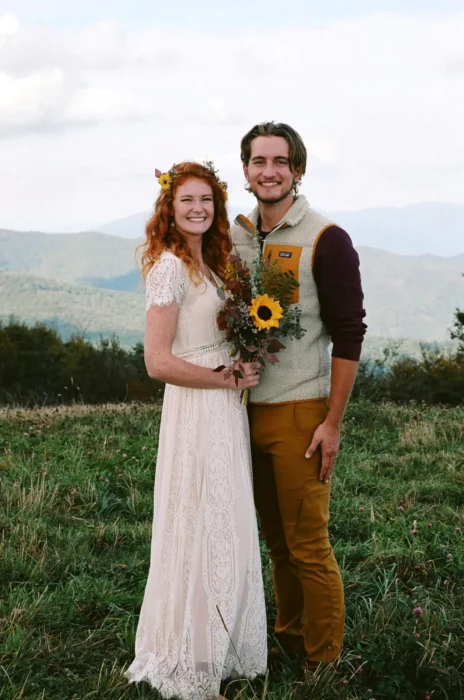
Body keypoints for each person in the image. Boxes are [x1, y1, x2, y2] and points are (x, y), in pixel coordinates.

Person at [125, 161, 267, 700]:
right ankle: (188, 652)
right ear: (170, 206)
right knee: (199, 522)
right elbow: (157, 362)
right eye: (187, 200)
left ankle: (223, 644)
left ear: (218, 206)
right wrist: (222, 376)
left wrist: (244, 362)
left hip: (223, 407)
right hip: (195, 408)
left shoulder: (209, 263)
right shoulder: (167, 268)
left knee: (224, 519)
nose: (198, 209)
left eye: (206, 199)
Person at [230, 122, 367, 669]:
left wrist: (331, 421)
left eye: (280, 162)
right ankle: (288, 637)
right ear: (245, 171)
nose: (269, 171)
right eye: (259, 161)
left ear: (298, 169)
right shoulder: (236, 235)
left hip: (299, 412)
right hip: (240, 414)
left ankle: (324, 661)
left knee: (308, 544)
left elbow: (349, 332)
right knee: (276, 544)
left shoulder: (325, 238)